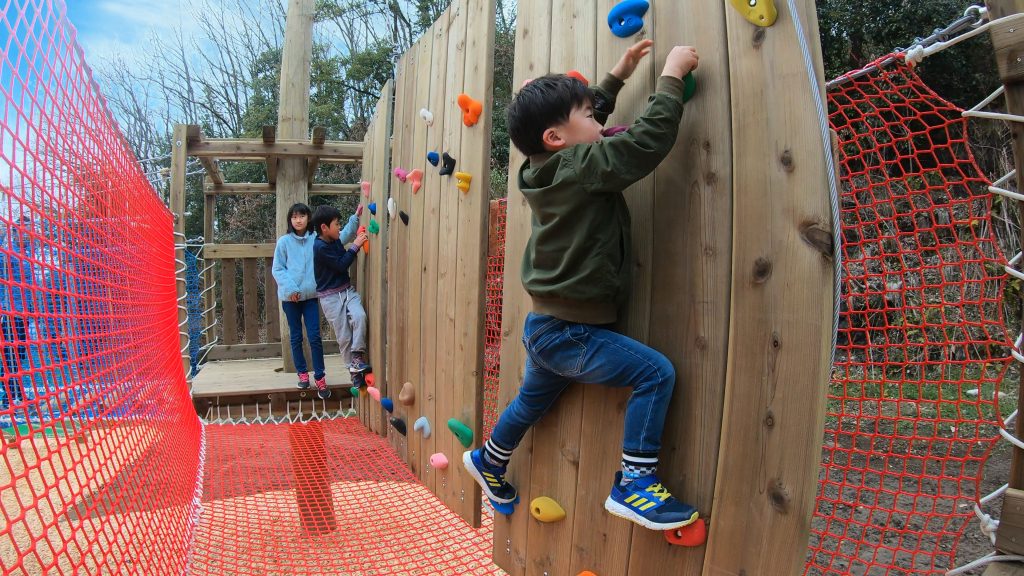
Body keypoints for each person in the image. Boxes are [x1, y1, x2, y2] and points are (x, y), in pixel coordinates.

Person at [462, 40, 701, 531]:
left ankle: (490, 459)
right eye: (590, 116)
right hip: (570, 331)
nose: (599, 122)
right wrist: (670, 76)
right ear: (556, 136)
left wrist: (618, 74)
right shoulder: (582, 166)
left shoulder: (540, 167)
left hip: (547, 325)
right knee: (655, 374)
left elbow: (575, 123)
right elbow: (642, 146)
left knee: (532, 401)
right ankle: (635, 484)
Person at [272, 203, 358, 398]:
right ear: (290, 220)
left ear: (308, 218)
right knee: (295, 337)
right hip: (290, 299)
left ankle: (320, 378)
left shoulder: (315, 239)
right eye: (294, 217)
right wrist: (291, 289)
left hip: (312, 297)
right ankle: (302, 375)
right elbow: (278, 269)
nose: (298, 220)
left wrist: (354, 219)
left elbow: (341, 236)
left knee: (314, 337)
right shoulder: (284, 242)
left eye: (301, 216)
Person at [311, 205, 370, 397]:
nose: (338, 227)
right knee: (344, 335)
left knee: (360, 316)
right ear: (324, 228)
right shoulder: (319, 247)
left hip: (346, 291)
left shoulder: (334, 238)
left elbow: (344, 233)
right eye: (336, 224)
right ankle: (352, 371)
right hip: (329, 298)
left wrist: (355, 217)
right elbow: (340, 264)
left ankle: (357, 356)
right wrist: (356, 246)